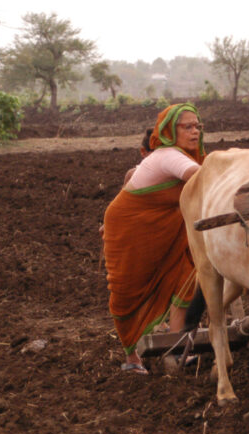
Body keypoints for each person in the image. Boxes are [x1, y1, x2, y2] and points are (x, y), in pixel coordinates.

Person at [102, 103, 205, 374]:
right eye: (187, 127)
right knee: (127, 291)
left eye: (197, 126)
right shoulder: (169, 155)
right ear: (170, 131)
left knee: (186, 275)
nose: (195, 132)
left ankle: (176, 346)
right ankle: (132, 357)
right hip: (130, 228)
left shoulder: (190, 156)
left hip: (166, 227)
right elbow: (201, 177)